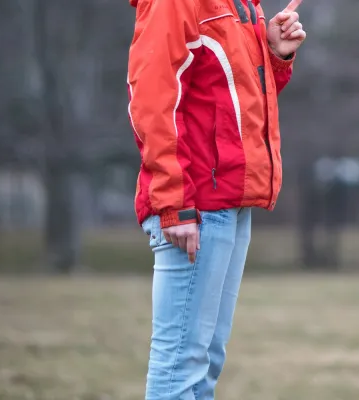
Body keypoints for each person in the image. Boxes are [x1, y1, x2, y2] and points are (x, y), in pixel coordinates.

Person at [126, 0, 306, 398]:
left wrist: (276, 55)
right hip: (195, 205)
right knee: (180, 366)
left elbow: (237, 100)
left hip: (230, 201)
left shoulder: (241, 5)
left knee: (205, 362)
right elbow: (152, 102)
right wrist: (174, 203)